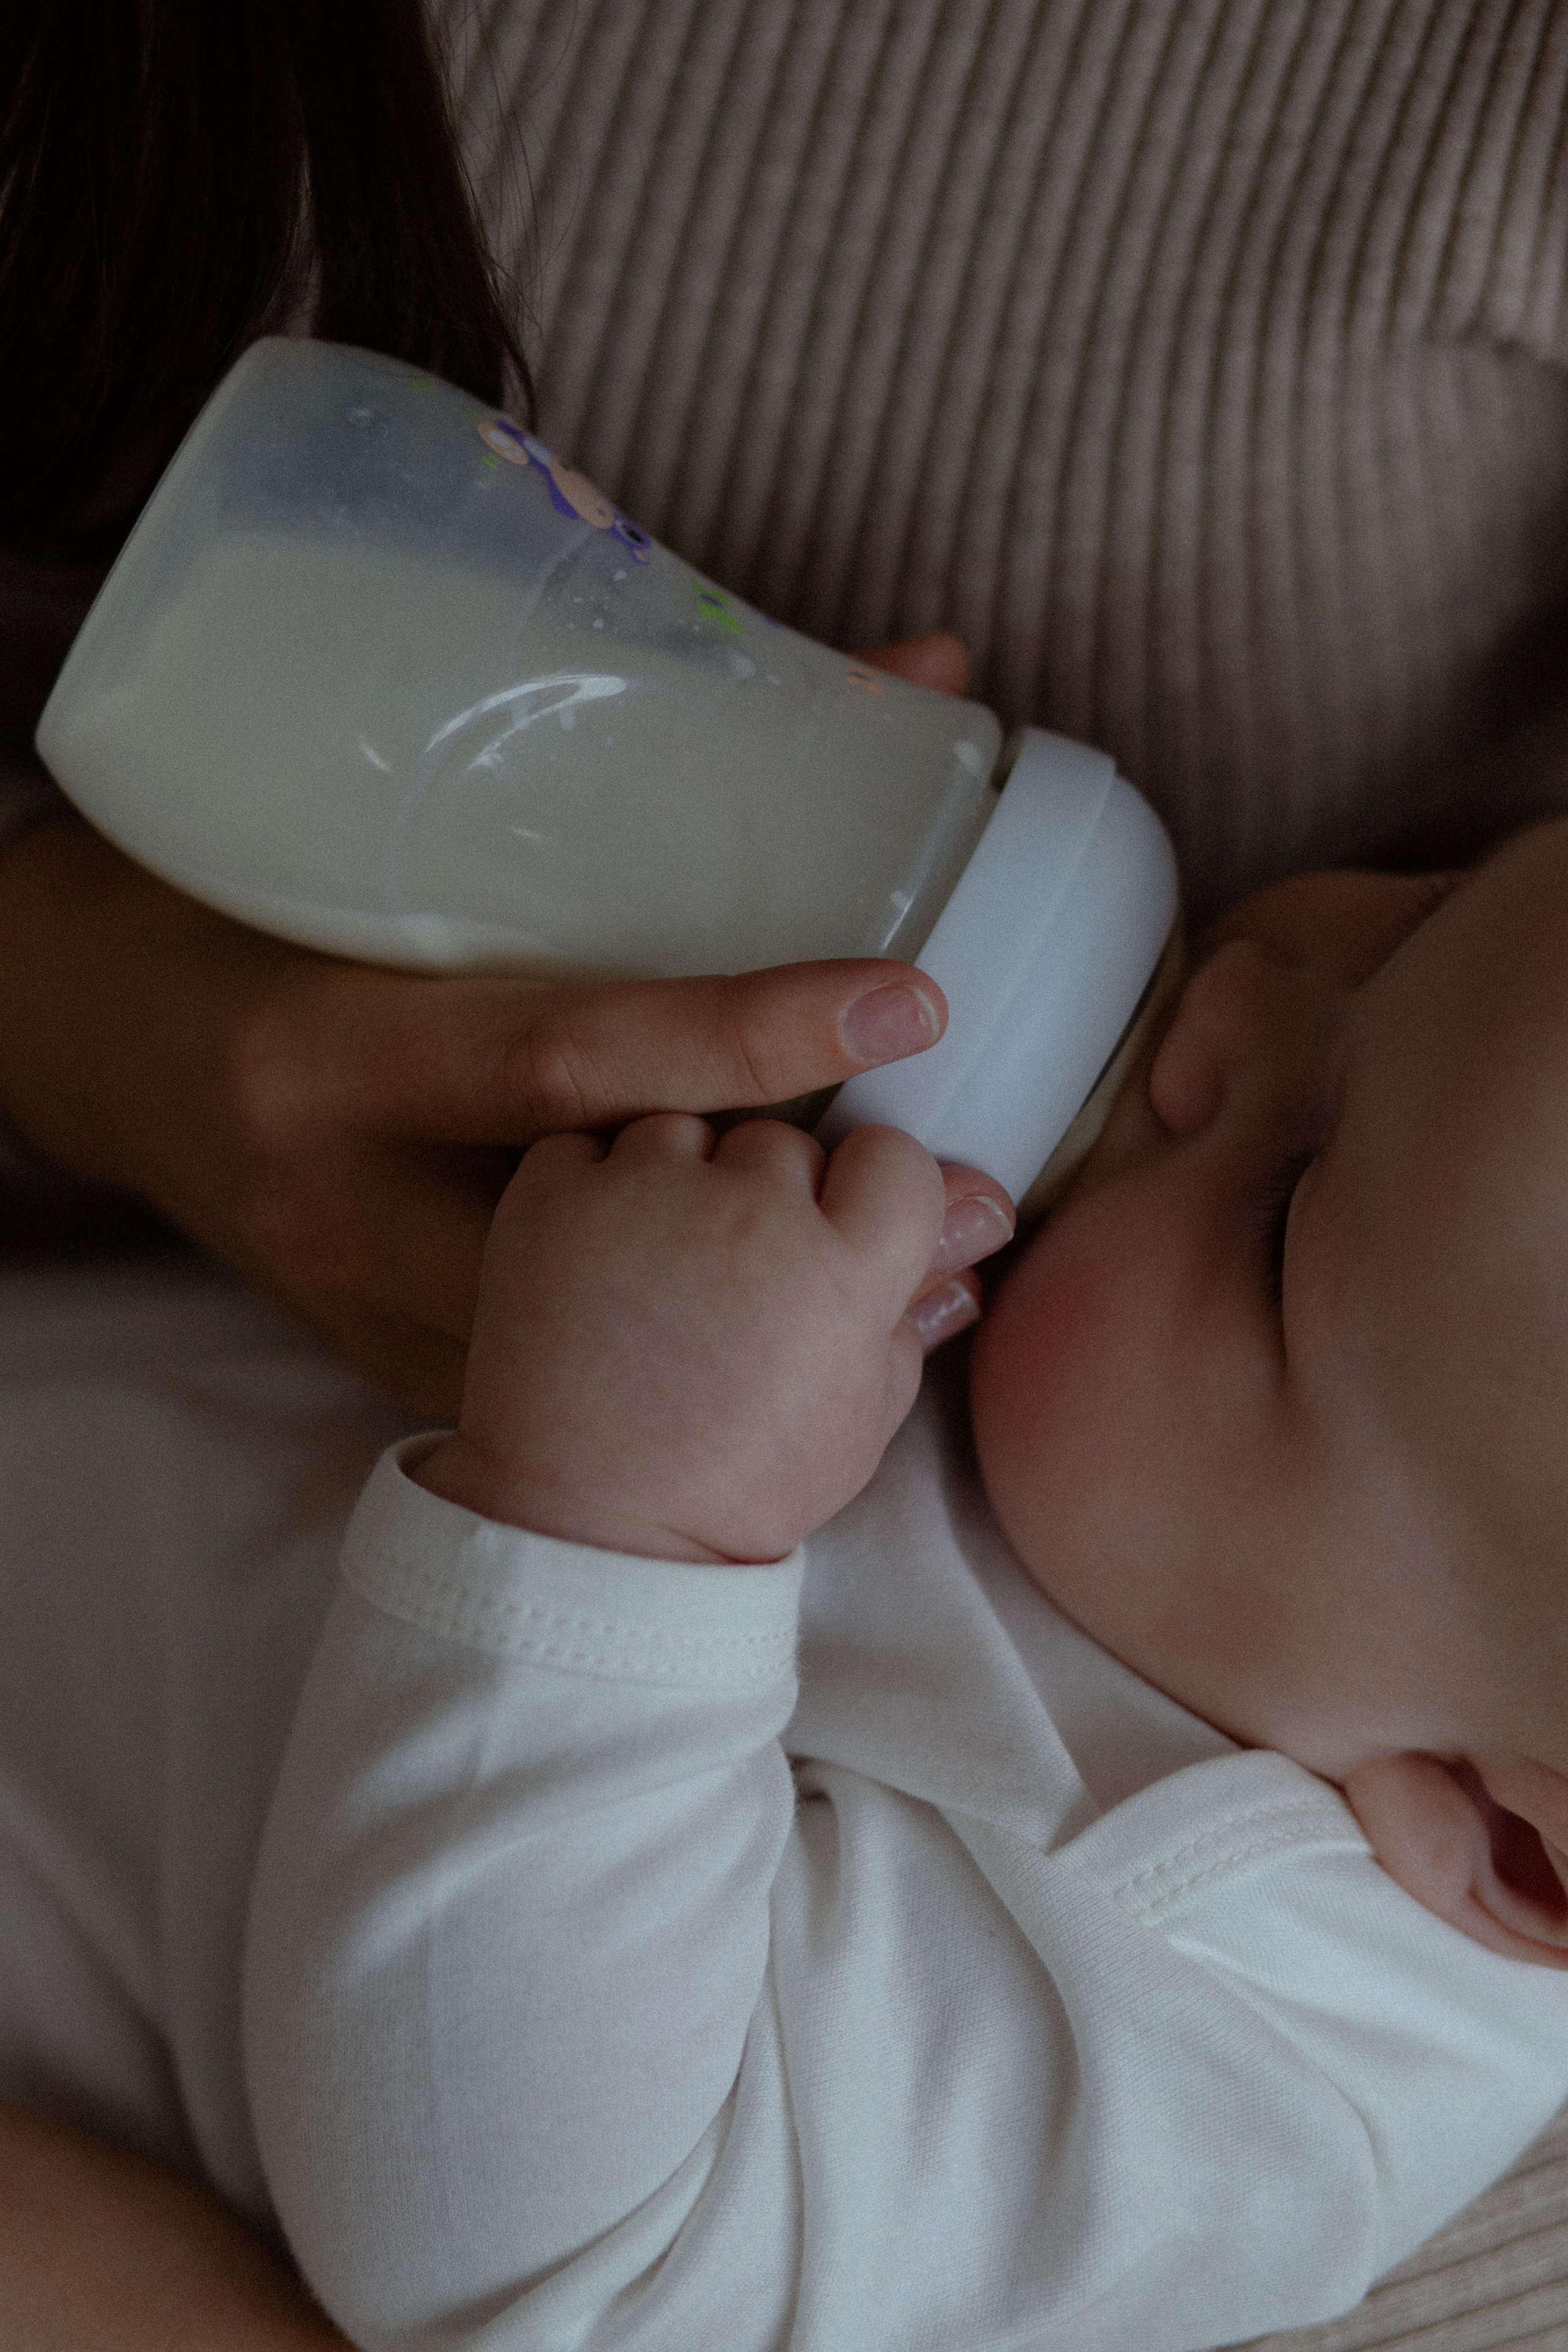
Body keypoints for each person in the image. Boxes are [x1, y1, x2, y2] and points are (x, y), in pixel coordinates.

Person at [9, 821, 1568, 2352]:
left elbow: (576, 2291)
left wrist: (619, 1532)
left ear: (1499, 1841)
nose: (1231, 1002)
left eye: (1280, 1225)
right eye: (1424, 914)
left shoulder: (1241, 2058)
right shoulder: (1250, 1475)